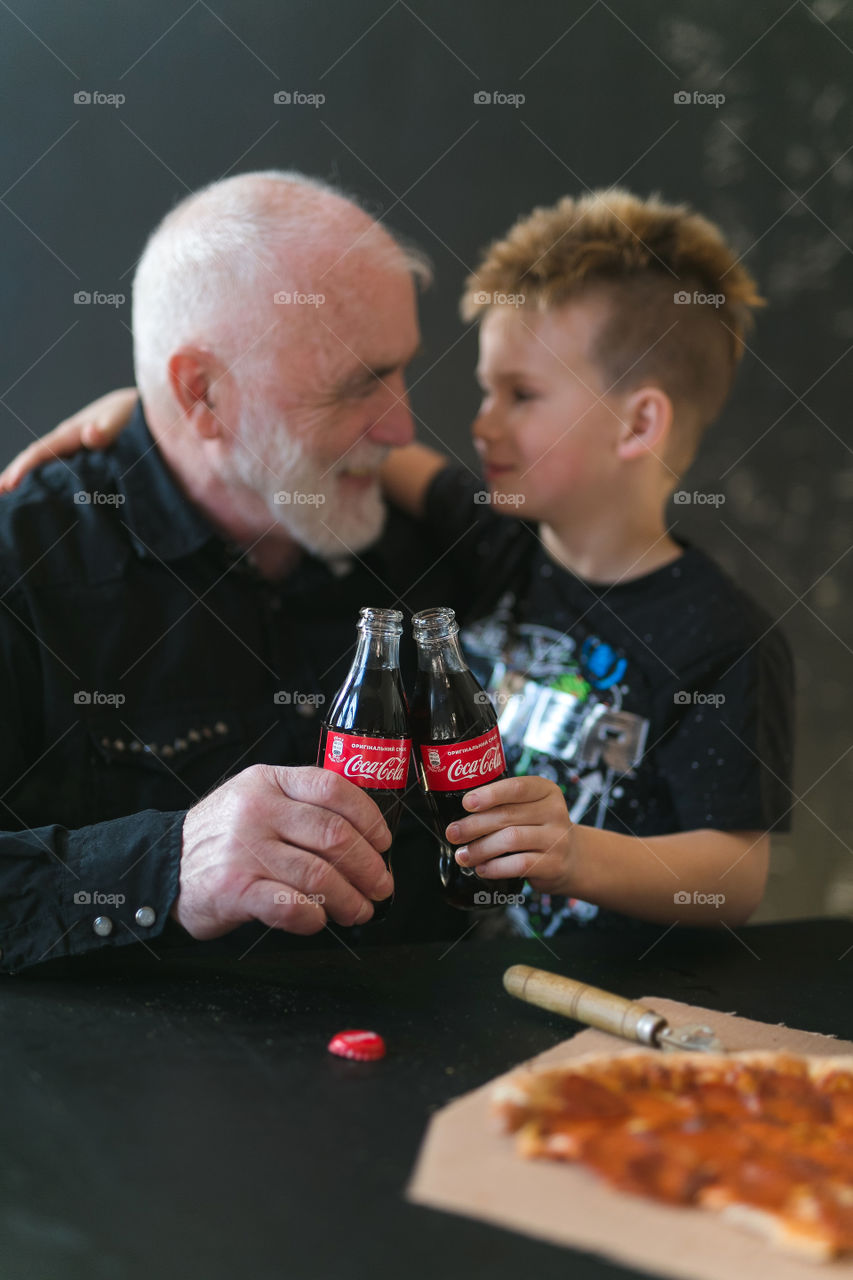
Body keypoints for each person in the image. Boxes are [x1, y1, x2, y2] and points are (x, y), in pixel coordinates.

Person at [11, 188, 794, 938]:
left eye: (519, 394)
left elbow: (737, 870)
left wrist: (194, 411)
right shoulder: (490, 541)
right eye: (361, 382)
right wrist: (160, 415)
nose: (438, 424)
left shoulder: (690, 625)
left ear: (637, 423)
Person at [0, 169, 467, 975]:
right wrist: (169, 863)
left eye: (400, 369)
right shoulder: (27, 563)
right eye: (358, 384)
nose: (403, 426)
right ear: (204, 394)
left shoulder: (420, 544)